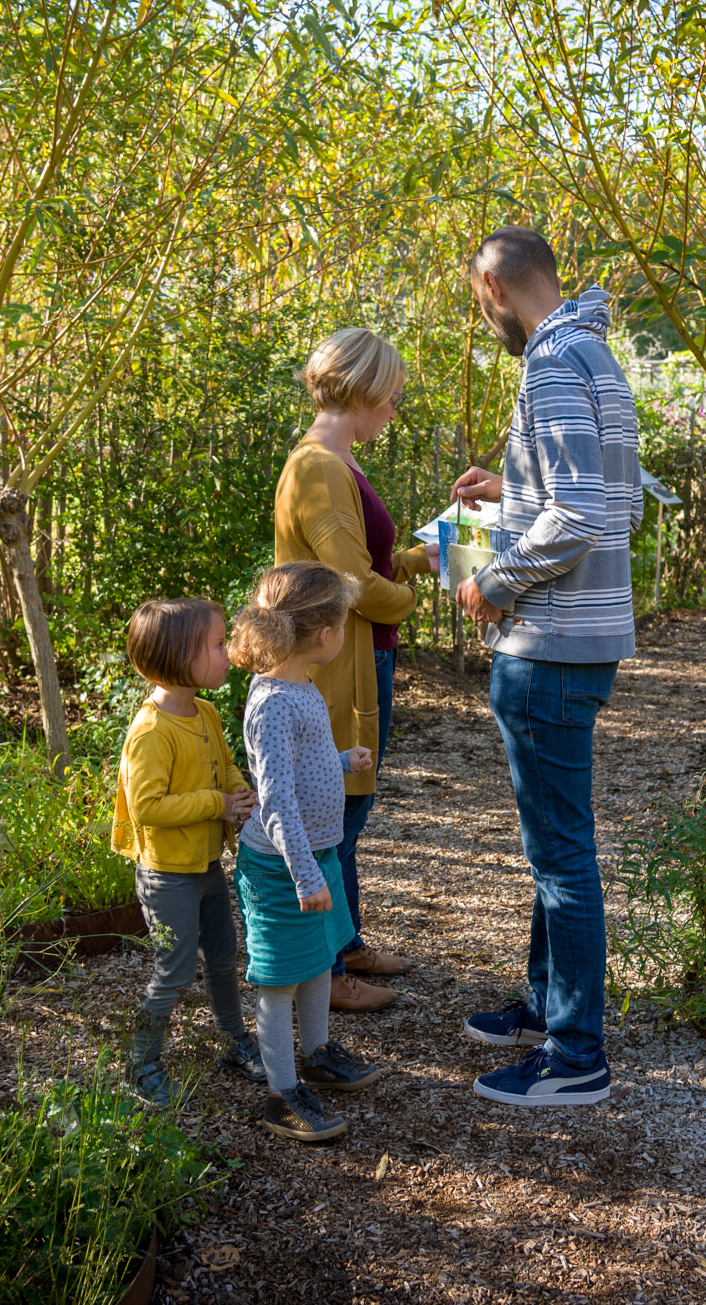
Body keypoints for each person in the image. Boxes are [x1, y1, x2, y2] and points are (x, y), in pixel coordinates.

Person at [450, 225, 642, 1109]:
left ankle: (576, 1053)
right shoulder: (594, 352)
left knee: (561, 855)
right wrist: (511, 492)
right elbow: (613, 491)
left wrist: (492, 580)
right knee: (550, 845)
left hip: (550, 640)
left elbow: (581, 517)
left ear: (494, 285)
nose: (481, 314)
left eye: (475, 298)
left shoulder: (552, 364)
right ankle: (545, 1001)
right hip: (584, 634)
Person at [272, 328, 433, 1013]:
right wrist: (411, 595)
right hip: (336, 660)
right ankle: (326, 967)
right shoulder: (319, 467)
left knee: (348, 805)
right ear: (362, 389)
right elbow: (349, 580)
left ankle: (347, 942)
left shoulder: (335, 462)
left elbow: (355, 560)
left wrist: (408, 559)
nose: (395, 408)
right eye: (391, 396)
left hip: (354, 650)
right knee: (335, 806)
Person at [230, 561, 389, 1142]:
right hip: (283, 869)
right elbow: (274, 803)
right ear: (324, 635)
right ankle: (280, 1093)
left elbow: (300, 769)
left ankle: (317, 1053)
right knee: (279, 982)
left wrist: (343, 760)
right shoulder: (272, 701)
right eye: (345, 623)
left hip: (315, 858)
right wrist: (304, 876)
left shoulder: (297, 685)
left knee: (321, 960)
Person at [111, 597, 266, 1107]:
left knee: (223, 960)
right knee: (174, 972)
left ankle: (234, 1042)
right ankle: (143, 1063)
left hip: (205, 866)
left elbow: (223, 766)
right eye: (219, 645)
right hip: (167, 876)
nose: (229, 653)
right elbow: (149, 807)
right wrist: (216, 804)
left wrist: (238, 792)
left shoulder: (204, 712)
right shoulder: (151, 733)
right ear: (182, 657)